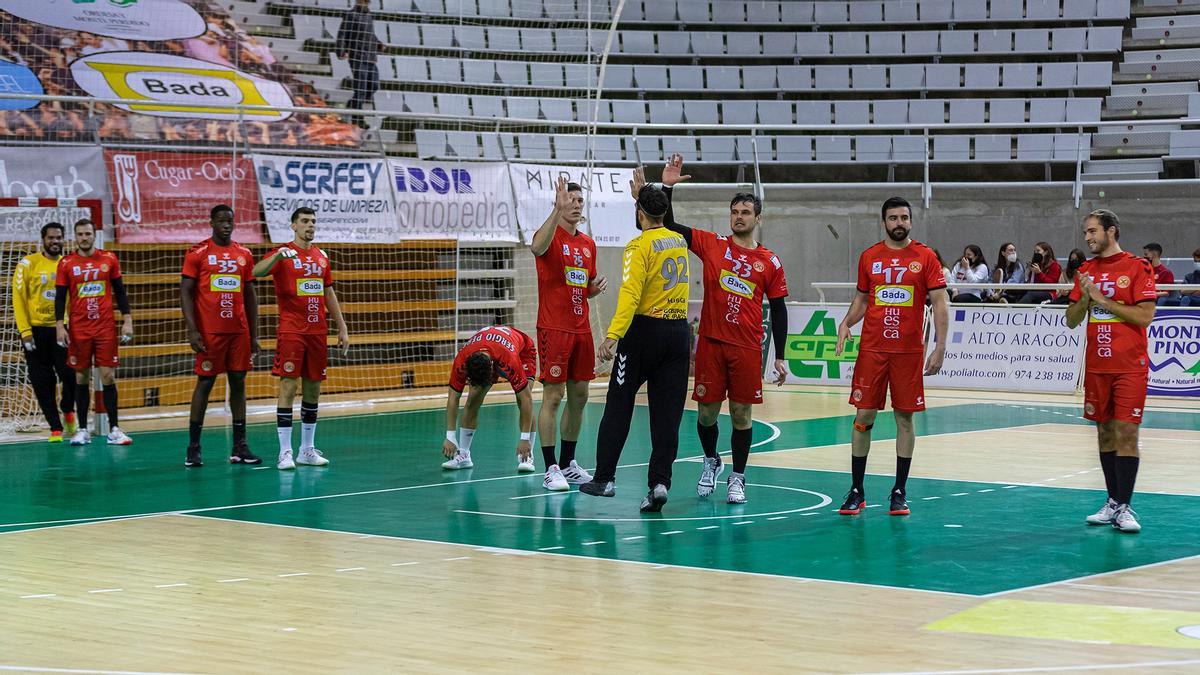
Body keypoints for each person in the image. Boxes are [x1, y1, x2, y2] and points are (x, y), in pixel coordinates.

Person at [657, 154, 789, 504]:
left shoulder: (770, 261)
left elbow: (778, 308)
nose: (739, 217)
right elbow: (669, 225)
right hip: (712, 344)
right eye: (734, 212)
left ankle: (738, 476)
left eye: (745, 212)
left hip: (747, 348)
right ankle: (712, 460)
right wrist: (667, 186)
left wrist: (781, 356)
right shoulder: (713, 244)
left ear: (757, 218)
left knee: (742, 415)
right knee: (706, 413)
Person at [579, 181, 690, 513]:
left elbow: (630, 294)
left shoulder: (638, 246)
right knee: (667, 415)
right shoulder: (678, 240)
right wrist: (645, 198)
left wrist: (613, 334)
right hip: (678, 332)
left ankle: (605, 478)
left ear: (639, 212)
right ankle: (659, 483)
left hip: (644, 332)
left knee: (619, 403)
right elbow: (659, 219)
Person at [835, 197, 949, 516]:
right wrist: (846, 323)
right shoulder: (869, 256)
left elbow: (940, 303)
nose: (899, 222)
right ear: (883, 221)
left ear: (910, 221)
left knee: (905, 419)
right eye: (893, 218)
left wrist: (940, 346)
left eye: (904, 217)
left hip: (908, 353)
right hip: (873, 350)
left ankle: (899, 491)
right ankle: (857, 490)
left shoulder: (925, 257)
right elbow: (861, 300)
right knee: (863, 418)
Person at [1066, 210, 1157, 533]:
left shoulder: (1137, 267)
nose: (1088, 238)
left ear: (1112, 231)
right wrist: (1084, 299)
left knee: (1126, 433)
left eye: (1092, 231)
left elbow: (1144, 316)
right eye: (1085, 232)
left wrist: (1102, 299)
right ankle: (1112, 502)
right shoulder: (1086, 270)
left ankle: (1126, 506)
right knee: (1104, 433)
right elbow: (1072, 319)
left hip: (1130, 367)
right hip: (1097, 367)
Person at [252, 207, 350, 470]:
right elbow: (255, 272)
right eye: (305, 221)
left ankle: (306, 450)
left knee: (313, 388)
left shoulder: (321, 257)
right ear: (293, 225)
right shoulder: (283, 253)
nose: (310, 225)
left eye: (313, 221)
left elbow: (328, 293)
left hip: (317, 332)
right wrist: (277, 257)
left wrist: (341, 327)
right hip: (292, 331)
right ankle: (285, 451)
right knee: (288, 387)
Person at [529, 177, 607, 490]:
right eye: (570, 200)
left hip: (581, 329)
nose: (575, 205)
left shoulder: (588, 244)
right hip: (554, 328)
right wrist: (555, 210)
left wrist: (592, 290)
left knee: (580, 395)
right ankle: (550, 468)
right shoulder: (550, 235)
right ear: (560, 203)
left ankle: (568, 463)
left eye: (578, 201)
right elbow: (536, 247)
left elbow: (582, 286)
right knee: (553, 396)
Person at [180, 205, 261, 467]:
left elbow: (250, 297)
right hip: (210, 332)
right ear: (211, 222)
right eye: (221, 221)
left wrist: (254, 335)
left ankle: (240, 446)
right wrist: (192, 330)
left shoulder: (244, 254)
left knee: (239, 383)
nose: (227, 225)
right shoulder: (198, 253)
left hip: (238, 332)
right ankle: (193, 447)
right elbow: (185, 292)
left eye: (230, 221)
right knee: (205, 383)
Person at [54, 218, 134, 446]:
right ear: (76, 236)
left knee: (108, 376)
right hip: (79, 329)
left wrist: (127, 320)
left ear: (94, 234)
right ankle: (82, 429)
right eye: (80, 234)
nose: (84, 238)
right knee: (81, 377)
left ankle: (114, 429)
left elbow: (120, 292)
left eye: (88, 233)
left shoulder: (109, 259)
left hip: (105, 327)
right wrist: (60, 325)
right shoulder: (67, 263)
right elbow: (60, 297)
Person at [12, 222, 76, 442]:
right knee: (42, 381)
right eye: (51, 238)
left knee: (70, 376)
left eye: (59, 238)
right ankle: (55, 427)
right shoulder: (28, 264)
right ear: (43, 239)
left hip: (62, 329)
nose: (55, 241)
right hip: (35, 332)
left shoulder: (67, 264)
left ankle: (67, 408)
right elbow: (18, 300)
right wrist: (25, 331)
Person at [440, 326, 537, 472]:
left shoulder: (509, 359)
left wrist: (524, 439)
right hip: (491, 348)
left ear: (491, 368)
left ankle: (527, 456)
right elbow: (453, 398)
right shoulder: (462, 359)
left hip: (522, 352)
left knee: (522, 398)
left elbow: (527, 400)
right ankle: (464, 455)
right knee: (472, 401)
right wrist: (450, 435)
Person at [336, 0, 383, 114]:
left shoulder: (369, 15)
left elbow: (370, 34)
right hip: (357, 56)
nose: (364, 4)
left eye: (367, 2)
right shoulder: (351, 15)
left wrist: (378, 44)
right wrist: (341, 51)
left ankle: (353, 103)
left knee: (374, 85)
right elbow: (342, 34)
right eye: (362, 1)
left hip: (370, 56)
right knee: (360, 87)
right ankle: (357, 116)